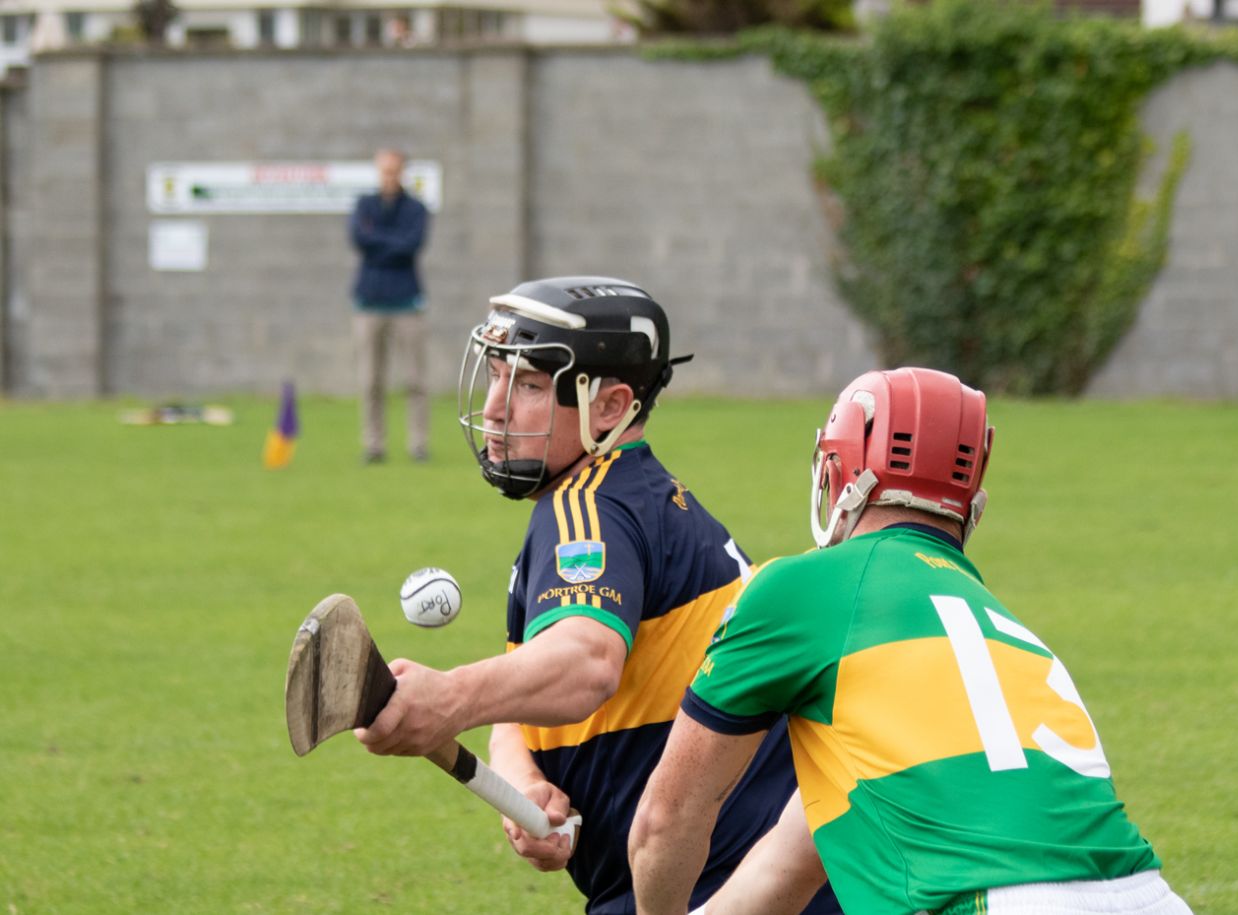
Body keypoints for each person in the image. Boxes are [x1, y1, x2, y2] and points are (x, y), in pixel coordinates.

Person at [630, 366, 1195, 915]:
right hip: (1146, 894)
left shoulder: (801, 590)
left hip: (980, 899)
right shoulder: (993, 622)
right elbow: (789, 863)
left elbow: (668, 817)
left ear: (841, 471)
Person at [356, 277, 839, 914]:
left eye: (528, 386)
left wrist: (447, 698)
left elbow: (585, 664)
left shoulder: (591, 510)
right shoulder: (626, 497)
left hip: (718, 885)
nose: (496, 406)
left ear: (609, 408)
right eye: (499, 375)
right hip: (744, 877)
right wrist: (526, 782)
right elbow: (529, 686)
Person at [348, 147, 430, 463]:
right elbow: (359, 240)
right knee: (370, 380)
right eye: (384, 170)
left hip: (407, 302)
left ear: (403, 172)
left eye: (395, 170)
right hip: (369, 303)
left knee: (415, 380)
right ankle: (374, 445)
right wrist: (389, 243)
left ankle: (418, 444)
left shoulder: (416, 208)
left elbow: (411, 245)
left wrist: (378, 241)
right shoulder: (364, 205)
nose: (389, 176)